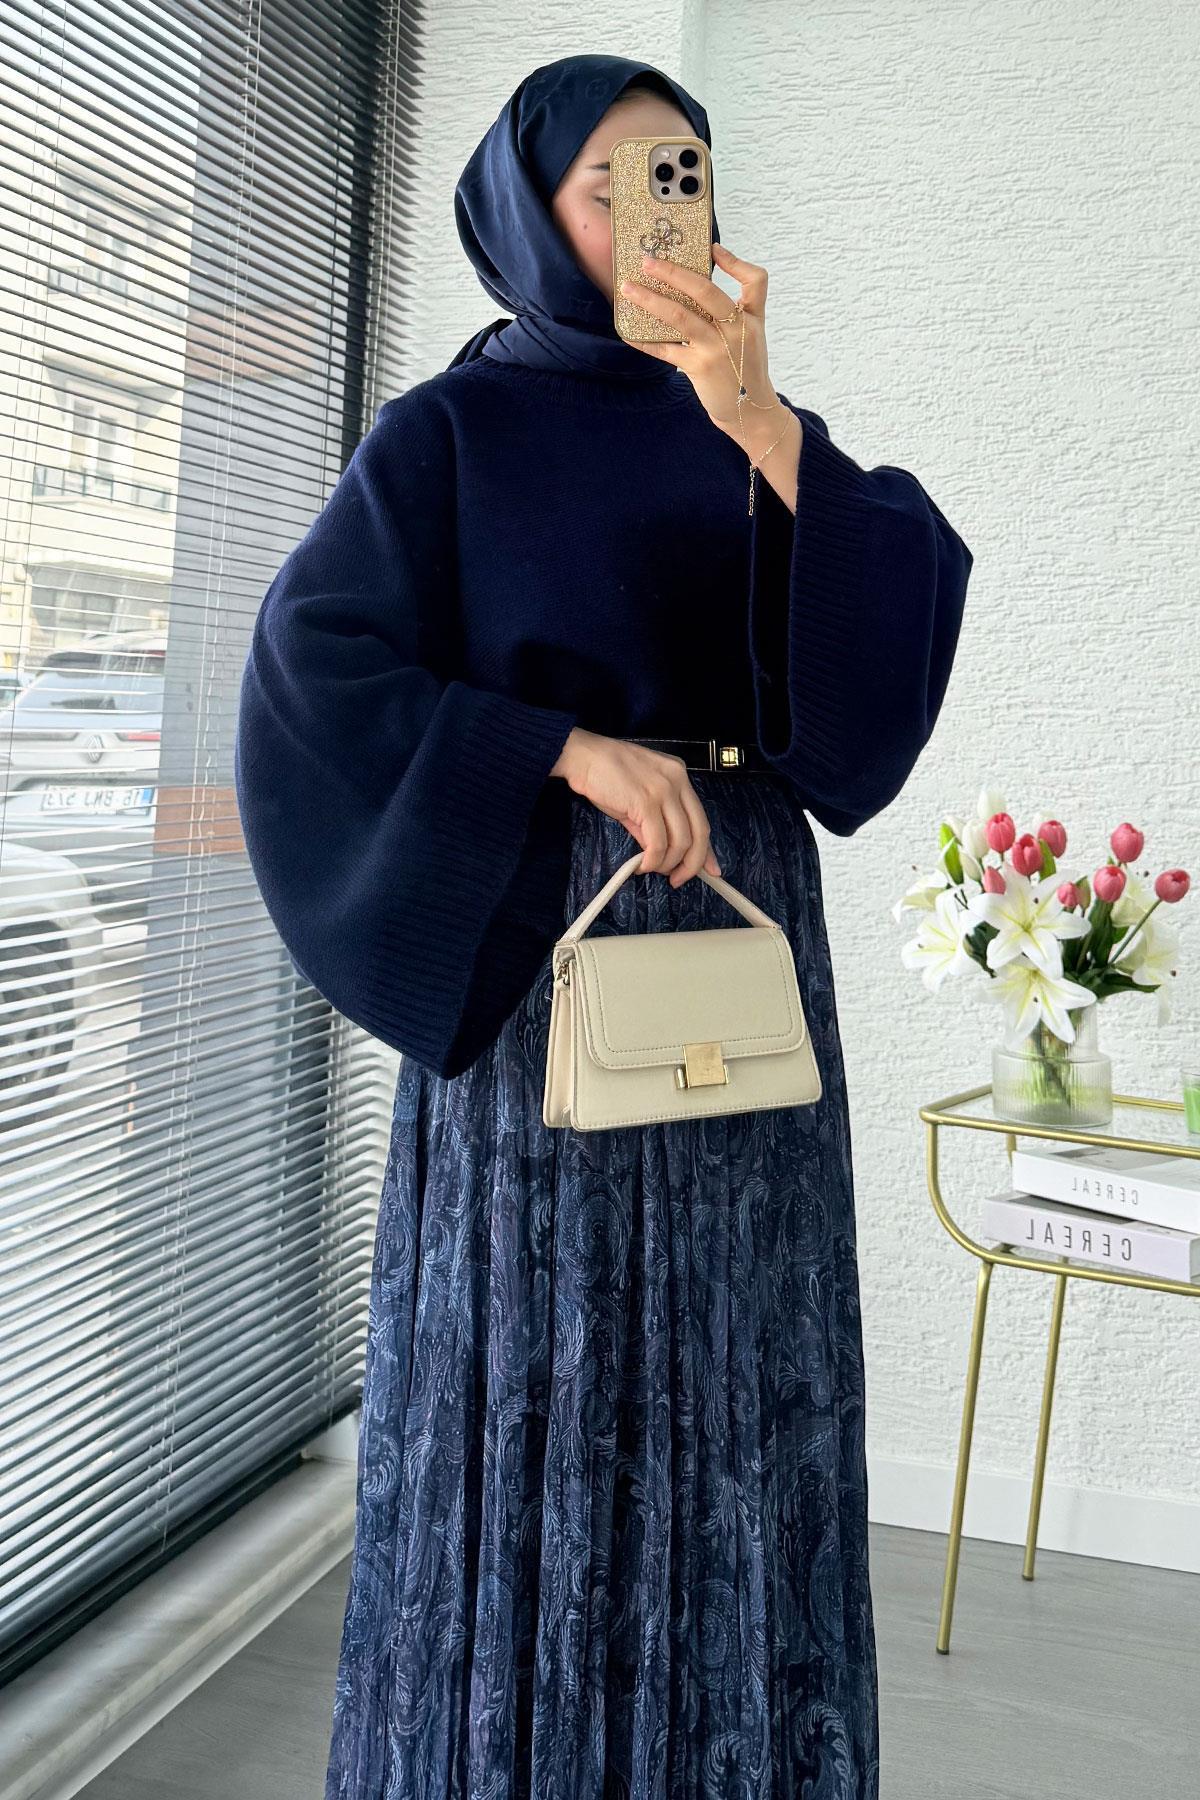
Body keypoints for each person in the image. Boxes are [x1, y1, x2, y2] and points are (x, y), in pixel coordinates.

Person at [234, 51, 973, 1800]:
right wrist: (557, 746)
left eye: (688, 175)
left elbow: (885, 649)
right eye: (616, 182)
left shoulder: (747, 418)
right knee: (543, 1370)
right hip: (546, 937)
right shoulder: (446, 432)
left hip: (737, 926)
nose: (664, 214)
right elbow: (312, 669)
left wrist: (766, 428)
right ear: (528, 210)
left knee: (746, 1351)